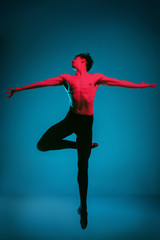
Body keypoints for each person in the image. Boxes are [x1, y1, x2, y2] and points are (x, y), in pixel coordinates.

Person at [6, 53, 156, 229]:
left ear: (83, 61)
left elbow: (118, 82)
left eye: (75, 58)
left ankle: (83, 208)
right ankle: (79, 145)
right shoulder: (66, 78)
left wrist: (140, 86)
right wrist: (19, 89)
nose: (72, 60)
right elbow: (43, 83)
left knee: (83, 166)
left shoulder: (96, 77)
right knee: (42, 145)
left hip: (86, 123)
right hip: (71, 119)